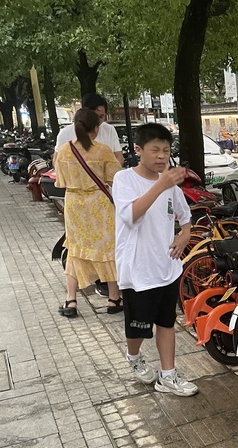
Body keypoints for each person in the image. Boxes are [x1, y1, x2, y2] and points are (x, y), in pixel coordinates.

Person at [112, 123, 198, 397]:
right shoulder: (124, 179)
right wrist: (161, 185)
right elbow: (131, 214)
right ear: (138, 150)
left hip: (167, 266)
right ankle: (133, 355)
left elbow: (185, 218)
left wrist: (185, 235)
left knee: (167, 322)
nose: (162, 156)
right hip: (138, 270)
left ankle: (168, 375)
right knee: (139, 327)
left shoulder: (171, 186)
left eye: (166, 150)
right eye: (155, 150)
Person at [54, 108, 122, 317]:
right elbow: (114, 179)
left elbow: (60, 181)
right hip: (99, 206)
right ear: (96, 128)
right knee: (108, 250)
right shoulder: (102, 151)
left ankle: (71, 301)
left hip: (74, 205)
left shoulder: (64, 151)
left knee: (75, 250)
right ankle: (113, 299)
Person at [55, 93, 124, 166]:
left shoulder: (109, 130)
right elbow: (57, 161)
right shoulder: (65, 133)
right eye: (95, 116)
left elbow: (119, 158)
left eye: (101, 117)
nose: (97, 120)